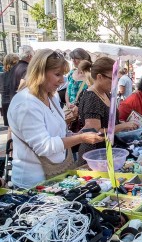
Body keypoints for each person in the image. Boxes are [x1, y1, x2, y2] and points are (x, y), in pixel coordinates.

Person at [7, 49, 104, 188]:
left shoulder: (51, 96)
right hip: (33, 183)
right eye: (57, 74)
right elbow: (44, 147)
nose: (63, 80)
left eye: (63, 74)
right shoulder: (26, 103)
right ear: (40, 73)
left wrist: (77, 134)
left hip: (55, 176)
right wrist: (81, 138)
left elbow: (58, 133)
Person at [77, 57, 137, 165]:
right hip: (93, 155)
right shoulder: (92, 98)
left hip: (105, 152)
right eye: (113, 79)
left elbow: (108, 121)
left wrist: (121, 124)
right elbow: (94, 133)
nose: (116, 83)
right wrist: (123, 126)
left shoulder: (106, 94)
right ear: (99, 77)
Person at [65, 48, 92, 116]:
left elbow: (91, 96)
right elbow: (68, 90)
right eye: (72, 58)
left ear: (84, 59)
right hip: (69, 109)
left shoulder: (90, 75)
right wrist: (68, 102)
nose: (73, 60)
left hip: (82, 112)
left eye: (76, 58)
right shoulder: (71, 73)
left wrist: (78, 107)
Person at [0, 53, 19, 127]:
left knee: (10, 128)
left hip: (5, 103)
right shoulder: (18, 75)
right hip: (15, 104)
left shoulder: (1, 76)